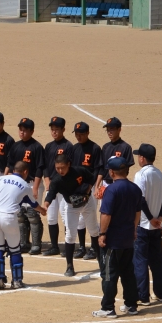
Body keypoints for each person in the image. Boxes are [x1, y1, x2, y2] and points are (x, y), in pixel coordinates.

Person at [0, 161, 47, 289]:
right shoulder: (25, 185)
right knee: (15, 249)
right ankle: (16, 281)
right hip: (9, 218)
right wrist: (43, 211)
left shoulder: (0, 179)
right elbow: (34, 205)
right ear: (25, 172)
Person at [93, 156, 143, 318]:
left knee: (109, 273)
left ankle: (108, 307)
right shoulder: (135, 189)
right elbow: (137, 212)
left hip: (113, 239)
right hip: (128, 238)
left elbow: (106, 214)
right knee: (128, 272)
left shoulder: (112, 190)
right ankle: (131, 304)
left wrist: (102, 234)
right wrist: (134, 229)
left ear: (112, 172)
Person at [44, 154, 99, 277]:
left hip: (87, 203)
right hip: (71, 207)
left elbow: (91, 178)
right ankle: (69, 266)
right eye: (57, 168)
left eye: (62, 167)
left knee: (94, 231)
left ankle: (102, 261)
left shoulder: (79, 170)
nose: (60, 170)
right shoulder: (57, 181)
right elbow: (51, 194)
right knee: (70, 235)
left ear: (68, 164)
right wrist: (45, 205)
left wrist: (87, 190)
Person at [132, 143, 162, 305]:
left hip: (143, 225)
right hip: (155, 226)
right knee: (157, 260)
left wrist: (150, 217)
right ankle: (161, 293)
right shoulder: (159, 174)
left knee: (140, 261)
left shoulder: (141, 175)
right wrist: (159, 216)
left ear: (142, 158)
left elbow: (140, 199)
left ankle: (143, 296)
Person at [5, 118, 45, 255]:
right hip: (18, 184)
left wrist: (36, 187)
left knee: (33, 214)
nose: (22, 132)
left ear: (32, 131)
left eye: (25, 130)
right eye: (20, 130)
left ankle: (36, 244)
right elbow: (10, 165)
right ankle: (24, 243)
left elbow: (40, 168)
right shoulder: (15, 146)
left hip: (33, 183)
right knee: (20, 214)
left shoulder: (37, 147)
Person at [42, 116, 74, 256]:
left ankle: (68, 246)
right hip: (51, 186)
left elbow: (71, 167)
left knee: (66, 217)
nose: (54, 132)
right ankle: (54, 246)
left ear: (63, 129)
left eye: (57, 129)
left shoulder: (69, 146)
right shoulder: (49, 146)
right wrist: (47, 180)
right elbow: (45, 166)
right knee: (51, 217)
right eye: (52, 129)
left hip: (64, 187)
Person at [71, 122, 102, 260]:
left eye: (81, 134)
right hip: (77, 187)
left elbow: (98, 169)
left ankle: (94, 247)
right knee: (79, 219)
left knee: (91, 217)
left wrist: (92, 186)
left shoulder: (95, 148)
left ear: (88, 133)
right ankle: (82, 247)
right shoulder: (74, 148)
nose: (79, 136)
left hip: (90, 186)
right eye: (77, 134)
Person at [94, 117, 134, 200]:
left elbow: (126, 170)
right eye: (108, 130)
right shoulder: (105, 147)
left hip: (119, 184)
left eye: (112, 129)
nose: (109, 132)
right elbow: (102, 169)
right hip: (106, 184)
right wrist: (97, 186)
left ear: (119, 129)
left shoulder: (126, 147)